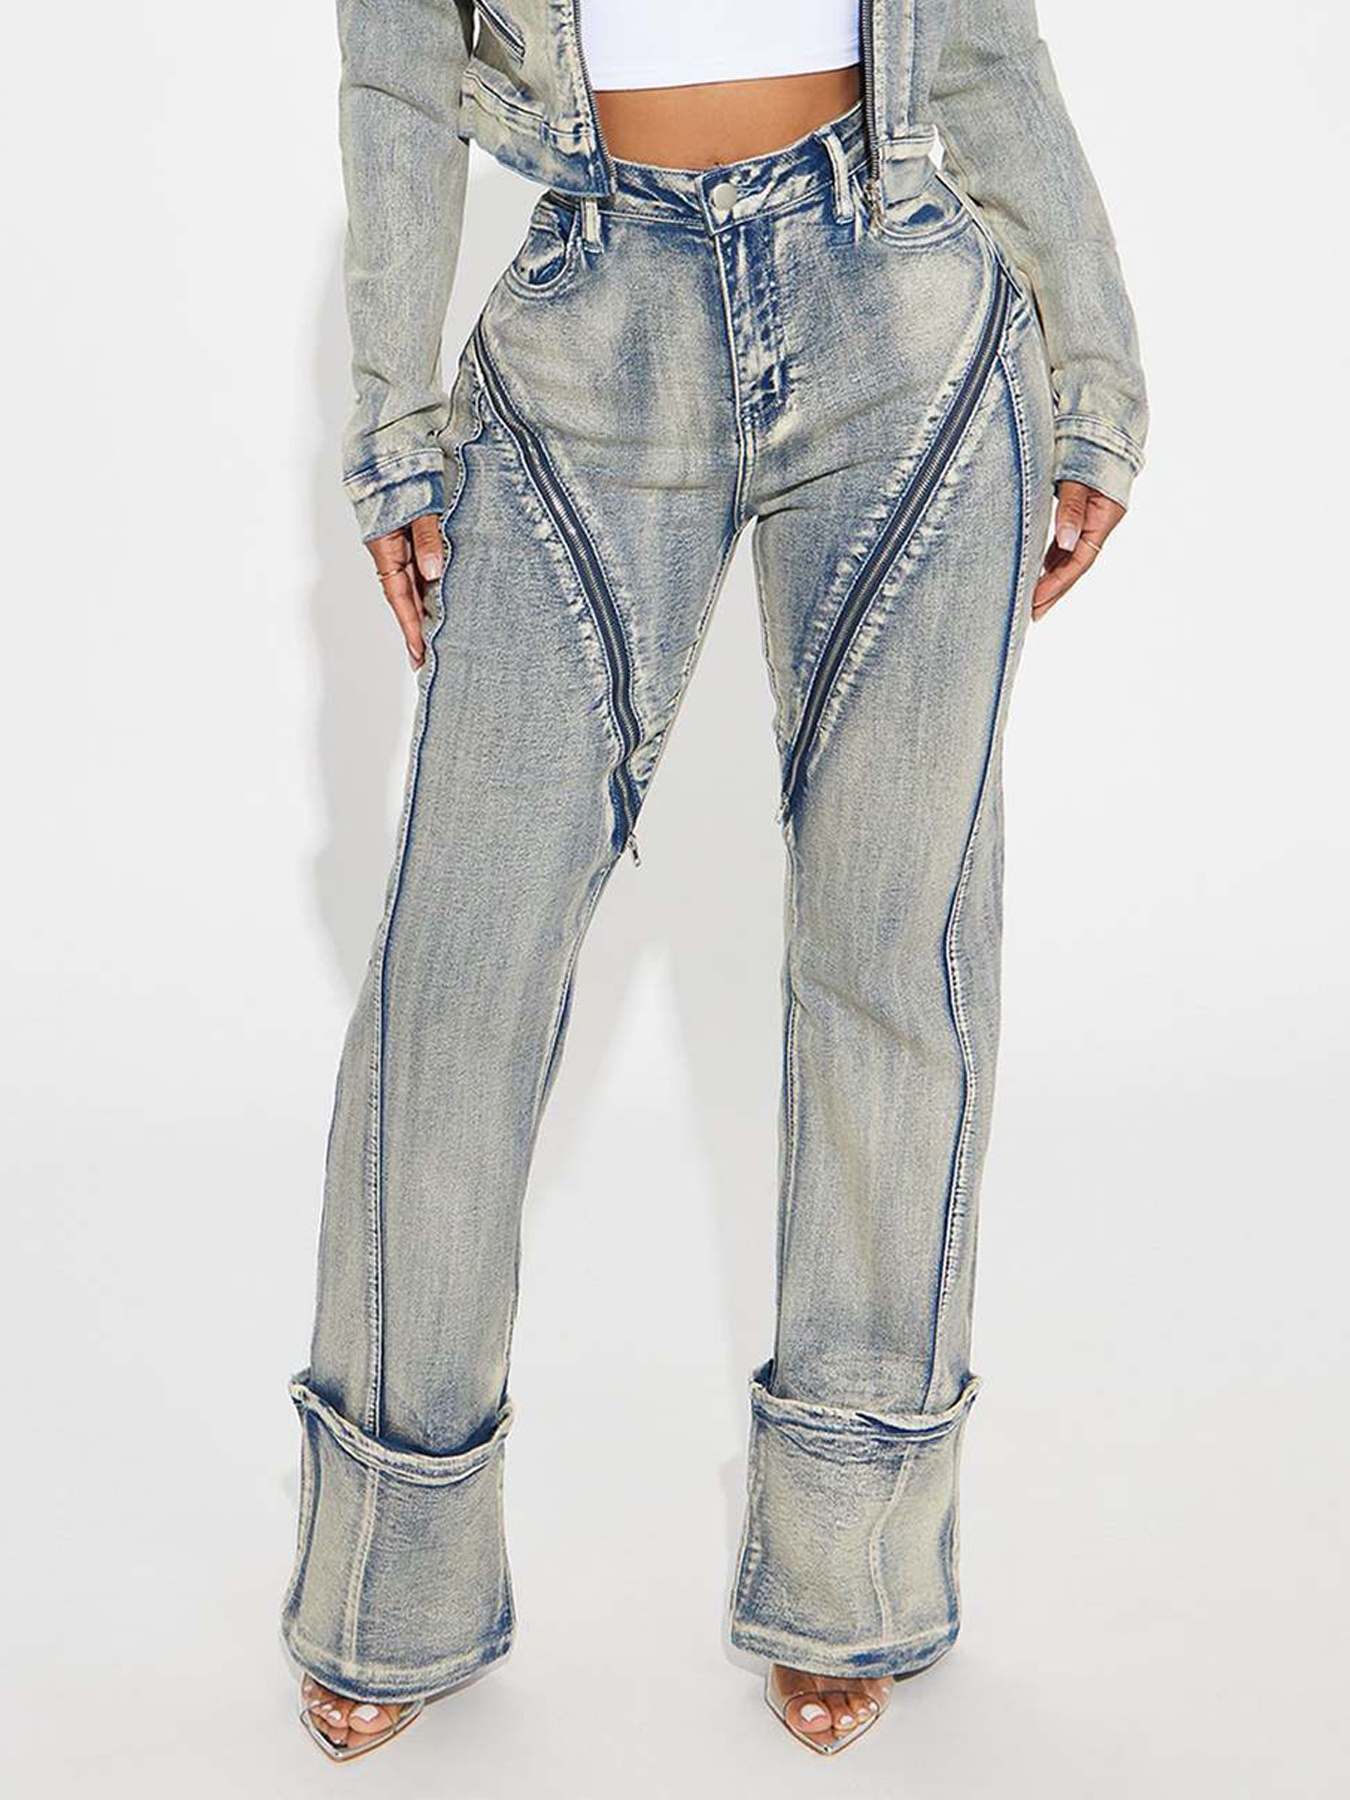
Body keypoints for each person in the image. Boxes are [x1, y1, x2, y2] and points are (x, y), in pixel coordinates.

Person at [281, 0, 1147, 1761]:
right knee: (458, 972)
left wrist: (1097, 363)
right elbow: (396, 65)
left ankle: (850, 1571)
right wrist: (392, 413)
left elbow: (980, 39)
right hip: (587, 321)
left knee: (889, 965)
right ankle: (391, 1578)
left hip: (905, 306)